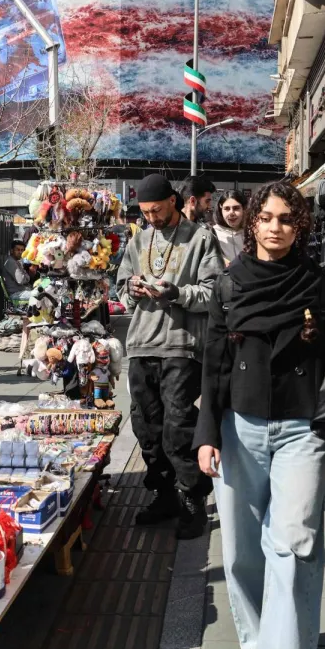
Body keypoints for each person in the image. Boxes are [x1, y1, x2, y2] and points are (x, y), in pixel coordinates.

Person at [196, 180, 325, 649]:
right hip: (240, 426)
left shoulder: (320, 285)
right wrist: (206, 434)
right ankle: (257, 639)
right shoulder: (229, 285)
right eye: (267, 217)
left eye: (286, 219)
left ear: (300, 227)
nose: (275, 228)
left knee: (295, 544)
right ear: (252, 222)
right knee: (241, 550)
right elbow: (214, 364)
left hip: (304, 428)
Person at [115, 173, 222, 540]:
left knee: (178, 426)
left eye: (156, 210)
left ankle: (192, 498)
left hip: (182, 345)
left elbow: (213, 293)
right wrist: (131, 289)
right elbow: (121, 290)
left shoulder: (200, 239)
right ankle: (164, 494)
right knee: (147, 426)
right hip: (141, 344)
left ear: (173, 202)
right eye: (145, 212)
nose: (151, 218)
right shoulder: (138, 240)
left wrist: (176, 293)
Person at [212, 189, 247, 266]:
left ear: (244, 209)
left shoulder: (251, 233)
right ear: (221, 209)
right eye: (227, 209)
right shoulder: (212, 234)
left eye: (236, 208)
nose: (231, 213)